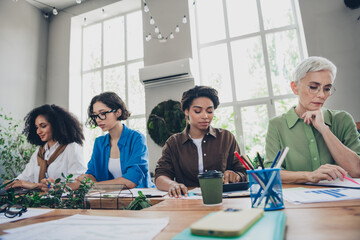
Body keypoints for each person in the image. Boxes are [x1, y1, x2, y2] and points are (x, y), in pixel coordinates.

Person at [264, 56, 360, 183]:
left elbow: (356, 171)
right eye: (314, 87)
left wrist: (324, 129)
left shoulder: (343, 119)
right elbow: (270, 174)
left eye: (327, 89)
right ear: (294, 87)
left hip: (342, 199)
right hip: (298, 201)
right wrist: (309, 176)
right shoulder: (277, 125)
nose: (321, 95)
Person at [155, 86, 247, 198]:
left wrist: (236, 175)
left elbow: (243, 172)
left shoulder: (226, 137)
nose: (205, 116)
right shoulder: (174, 143)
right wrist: (172, 185)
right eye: (198, 111)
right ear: (186, 111)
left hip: (222, 200)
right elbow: (160, 176)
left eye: (210, 111)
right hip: (188, 201)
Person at [76, 92, 153, 189]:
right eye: (95, 115)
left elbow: (132, 180)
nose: (98, 120)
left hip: (140, 199)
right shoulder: (99, 143)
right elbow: (91, 174)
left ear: (118, 112)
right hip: (111, 199)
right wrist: (86, 179)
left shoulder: (137, 138)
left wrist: (95, 185)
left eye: (103, 113)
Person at [5, 104, 86, 191]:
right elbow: (26, 177)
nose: (38, 131)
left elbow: (77, 182)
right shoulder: (39, 152)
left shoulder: (71, 148)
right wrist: (13, 182)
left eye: (43, 126)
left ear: (56, 125)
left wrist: (34, 185)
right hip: (40, 200)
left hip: (62, 202)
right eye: (36, 127)